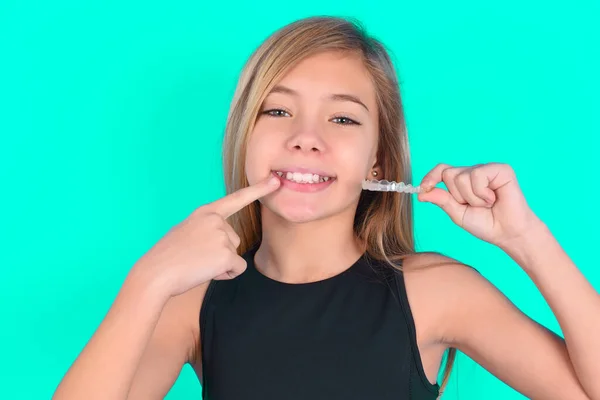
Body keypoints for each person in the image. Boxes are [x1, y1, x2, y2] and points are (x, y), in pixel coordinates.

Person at [53, 16, 600, 400]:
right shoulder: (192, 306)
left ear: (378, 164)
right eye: (277, 111)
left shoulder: (437, 292)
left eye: (342, 119)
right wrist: (148, 280)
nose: (305, 138)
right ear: (245, 140)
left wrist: (527, 238)